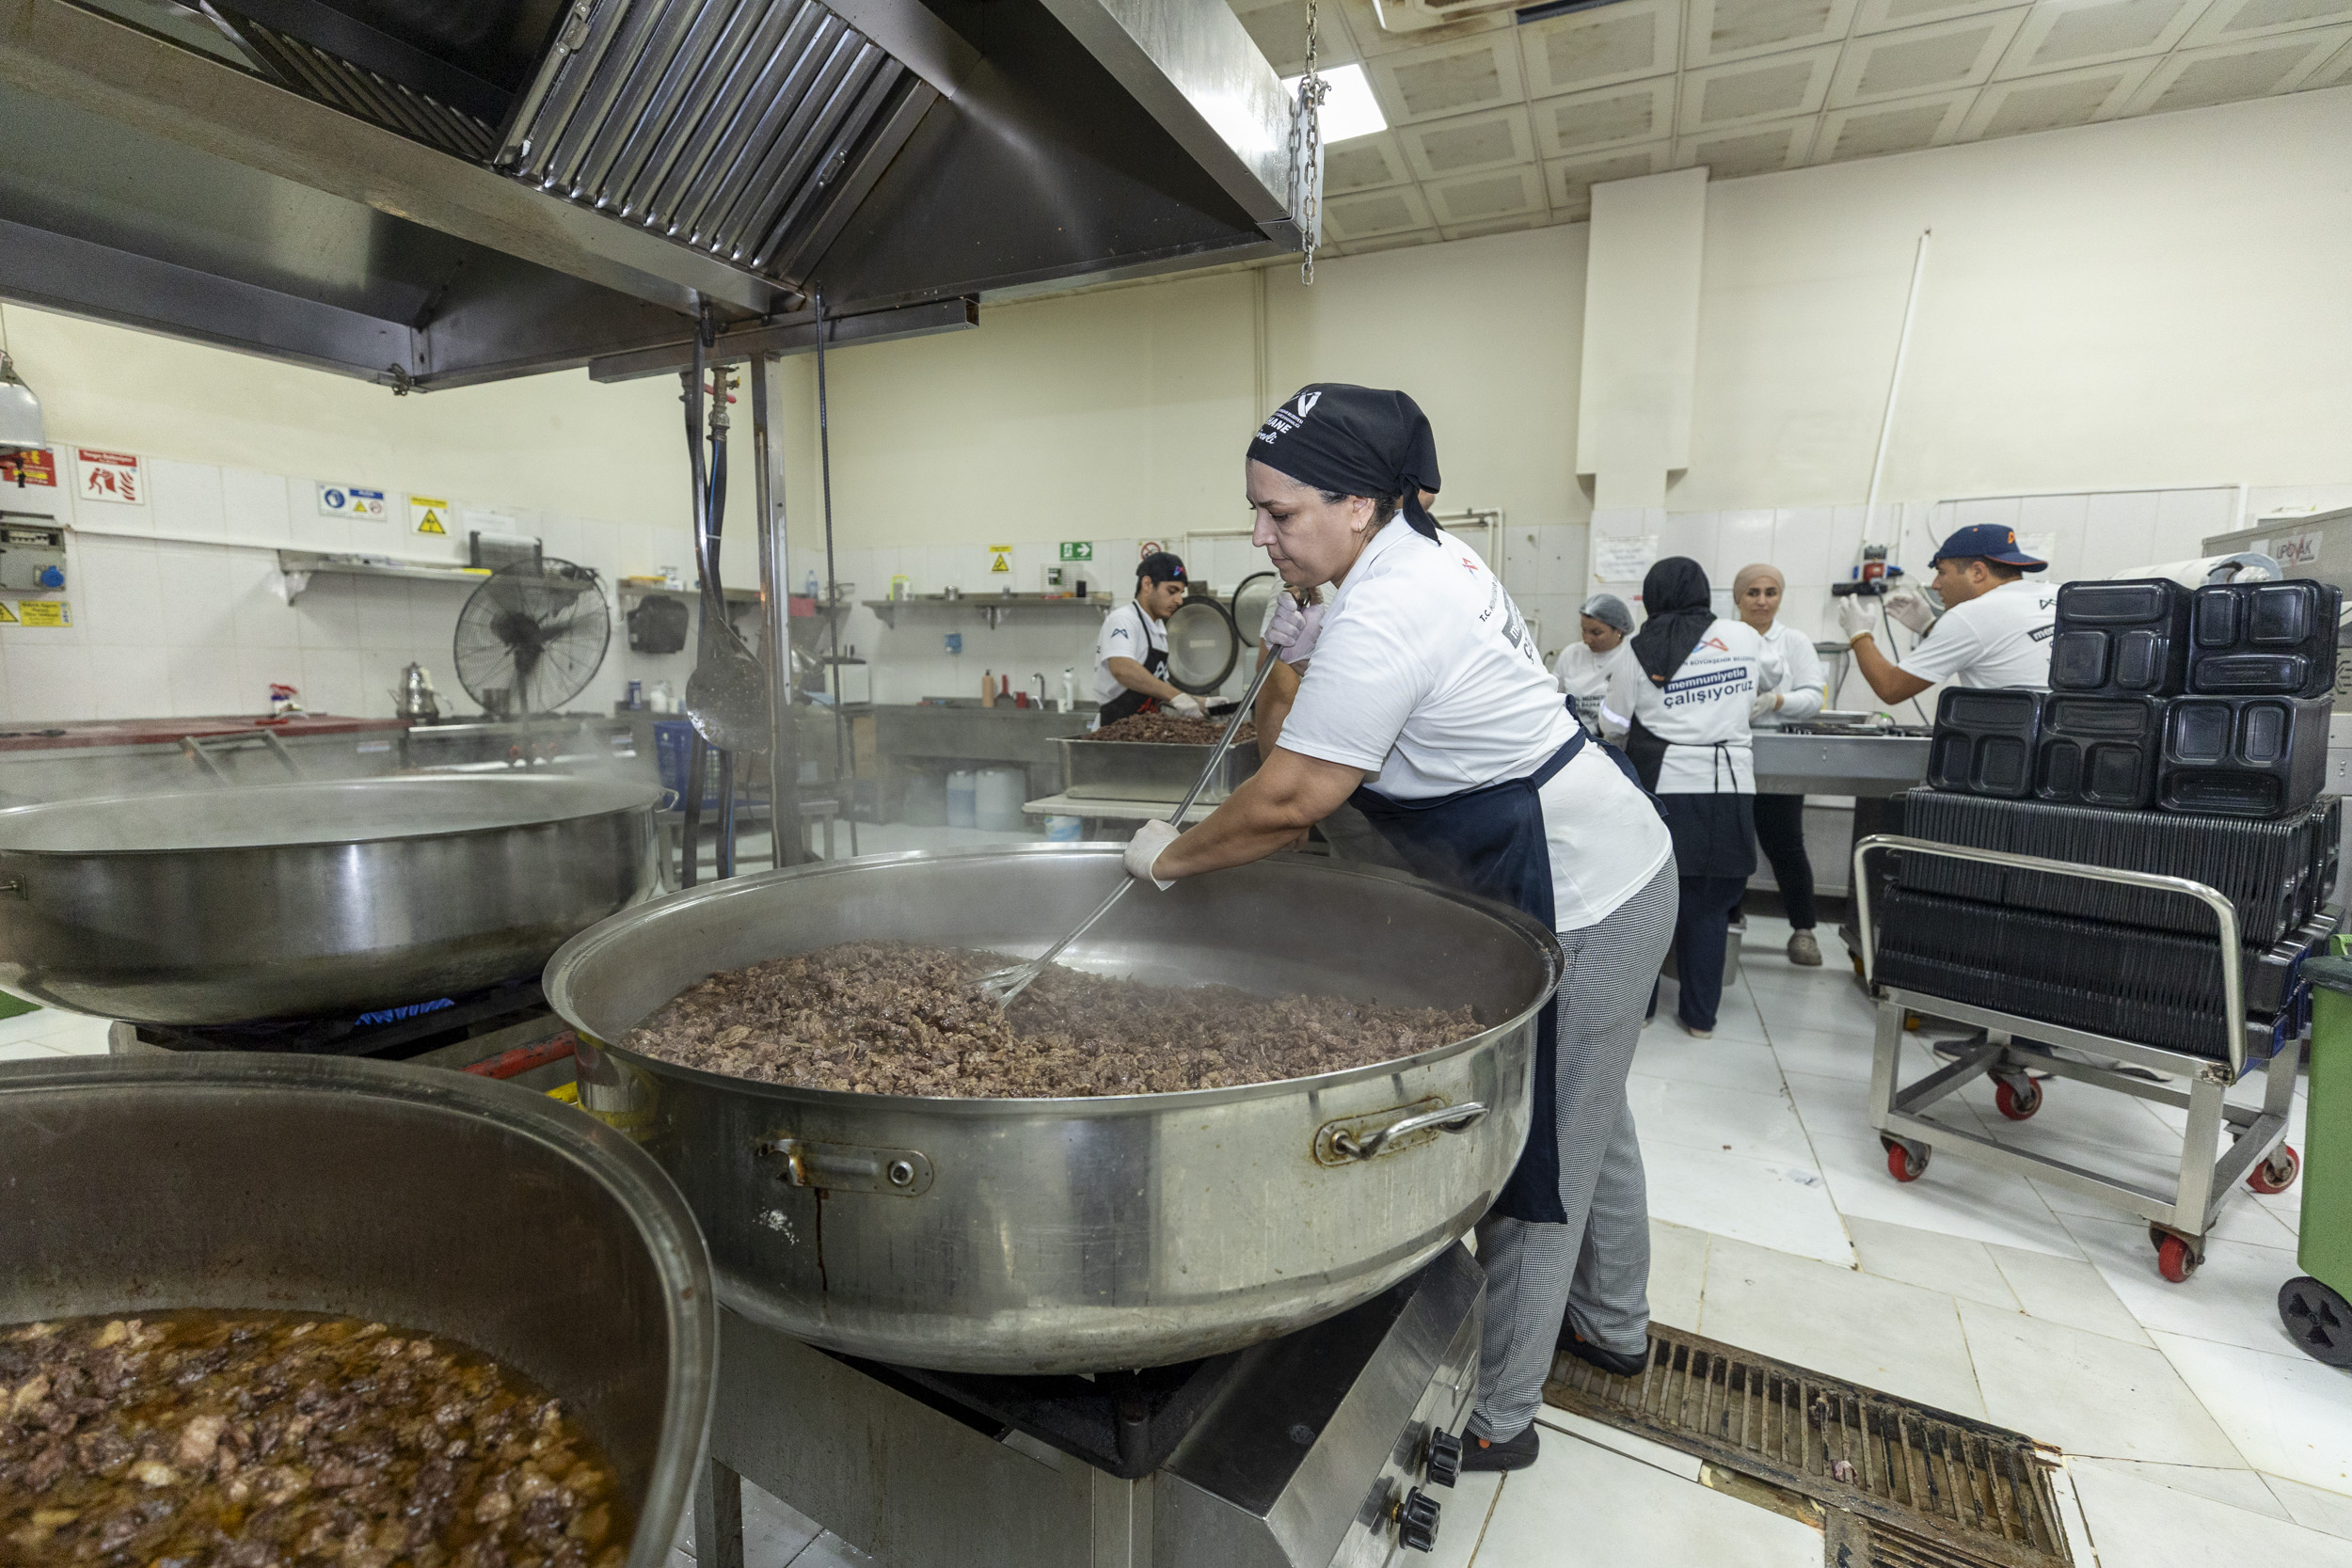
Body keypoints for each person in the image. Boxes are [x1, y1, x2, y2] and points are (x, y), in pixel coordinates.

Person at [1122, 384, 1676, 1475]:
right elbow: (1301, 715)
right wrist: (1297, 640)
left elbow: (1289, 802)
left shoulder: (1391, 604)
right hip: (1573, 863)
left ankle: (1503, 1415)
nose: (1258, 533)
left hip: (1591, 884)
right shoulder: (1414, 563)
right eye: (1255, 511)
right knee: (1593, 1106)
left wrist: (1169, 857)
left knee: (1538, 1150)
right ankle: (1615, 1324)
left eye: (1279, 514)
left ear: (1361, 504)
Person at [1599, 558, 1782, 1039]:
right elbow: (1771, 679)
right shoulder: (1743, 636)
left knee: (1651, 901)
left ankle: (1641, 1010)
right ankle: (1700, 1019)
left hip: (1664, 789)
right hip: (1729, 787)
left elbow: (1612, 725)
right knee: (1710, 904)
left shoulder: (1635, 650)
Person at [1836, 524, 2058, 703]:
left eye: (1942, 573)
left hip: (2018, 747)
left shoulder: (1970, 615)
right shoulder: (2059, 594)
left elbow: (1891, 688)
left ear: (1978, 572)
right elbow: (1995, 647)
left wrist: (1859, 634)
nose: (1935, 584)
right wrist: (1929, 628)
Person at [1733, 563, 1827, 968]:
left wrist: (1777, 701)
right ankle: (1728, 924)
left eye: (1771, 592)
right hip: (1733, 750)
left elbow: (1813, 697)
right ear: (1738, 598)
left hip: (1779, 753)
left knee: (1785, 843)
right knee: (1732, 845)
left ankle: (1803, 930)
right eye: (1753, 592)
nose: (1762, 600)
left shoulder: (1794, 641)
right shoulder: (1724, 638)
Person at [1093, 551, 1206, 723]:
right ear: (1147, 584)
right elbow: (1122, 668)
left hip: (1142, 730)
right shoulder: (1124, 619)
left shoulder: (1158, 630)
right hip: (1113, 730)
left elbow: (1155, 687)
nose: (1179, 601)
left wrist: (1200, 702)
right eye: (1172, 591)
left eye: (1181, 593)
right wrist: (1177, 696)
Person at [1553, 594, 1636, 721]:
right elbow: (1554, 698)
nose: (1586, 639)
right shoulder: (1571, 654)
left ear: (1619, 630)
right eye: (1584, 630)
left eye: (1596, 633)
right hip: (1575, 735)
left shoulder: (1632, 655)